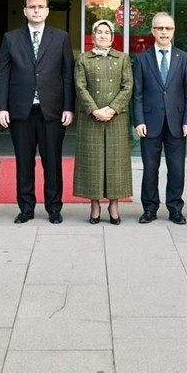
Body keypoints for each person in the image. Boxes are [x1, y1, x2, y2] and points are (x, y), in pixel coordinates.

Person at [0, 0, 75, 224]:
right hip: (21, 111)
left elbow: (67, 75)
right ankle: (26, 208)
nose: (37, 10)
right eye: (32, 7)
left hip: (52, 111)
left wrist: (68, 107)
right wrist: (1, 107)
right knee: (24, 162)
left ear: (48, 10)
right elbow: (2, 74)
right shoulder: (11, 38)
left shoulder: (61, 38)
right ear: (25, 11)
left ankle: (54, 208)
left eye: (41, 6)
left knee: (53, 162)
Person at [133, 12, 187, 224]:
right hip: (150, 123)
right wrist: (139, 120)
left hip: (177, 123)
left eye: (168, 28)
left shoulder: (184, 58)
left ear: (173, 31)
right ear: (152, 31)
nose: (164, 32)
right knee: (150, 168)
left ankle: (175, 209)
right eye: (159, 28)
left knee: (176, 169)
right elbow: (138, 94)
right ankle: (150, 208)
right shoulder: (141, 59)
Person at [74, 19, 133, 225]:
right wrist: (95, 110)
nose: (103, 36)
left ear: (112, 37)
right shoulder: (83, 59)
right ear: (92, 37)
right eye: (99, 32)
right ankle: (95, 204)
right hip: (91, 118)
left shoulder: (122, 58)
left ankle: (114, 205)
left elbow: (127, 87)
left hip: (116, 118)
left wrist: (112, 109)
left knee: (116, 164)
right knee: (93, 162)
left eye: (107, 32)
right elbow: (80, 87)